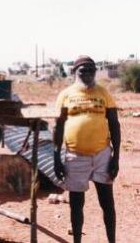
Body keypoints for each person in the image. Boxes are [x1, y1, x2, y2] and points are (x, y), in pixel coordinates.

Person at [53, 56, 120, 243]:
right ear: (75, 72)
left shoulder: (104, 93)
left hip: (102, 155)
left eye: (92, 69)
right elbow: (58, 127)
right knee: (76, 205)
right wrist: (56, 157)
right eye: (83, 69)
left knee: (107, 202)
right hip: (75, 156)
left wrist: (116, 158)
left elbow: (114, 124)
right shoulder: (66, 95)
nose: (88, 73)